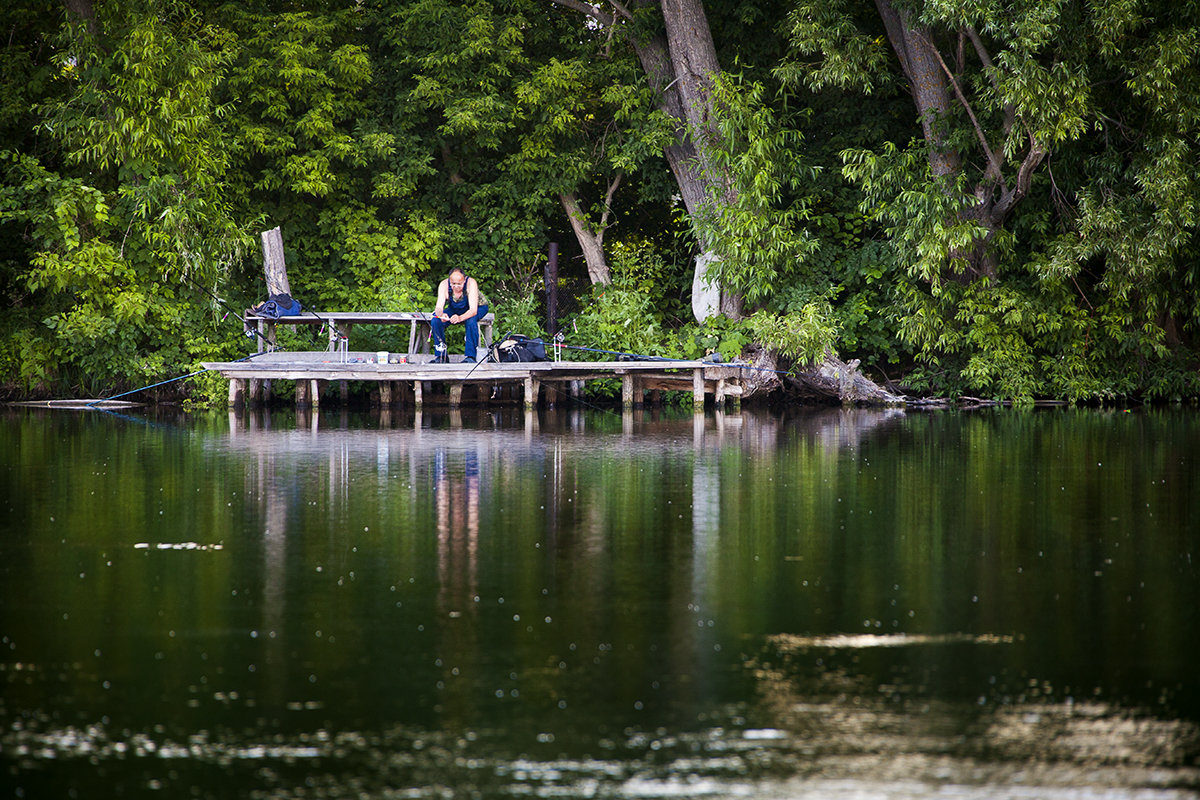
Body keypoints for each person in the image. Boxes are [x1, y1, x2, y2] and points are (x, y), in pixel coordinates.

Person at [430, 267, 489, 363]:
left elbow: (473, 310)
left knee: (471, 320)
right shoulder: (443, 285)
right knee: (435, 321)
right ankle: (441, 355)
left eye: (459, 284)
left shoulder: (471, 283)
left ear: (464, 280)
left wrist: (460, 318)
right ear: (449, 280)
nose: (456, 286)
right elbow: (439, 307)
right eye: (453, 284)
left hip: (477, 307)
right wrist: (441, 315)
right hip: (455, 308)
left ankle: (471, 356)